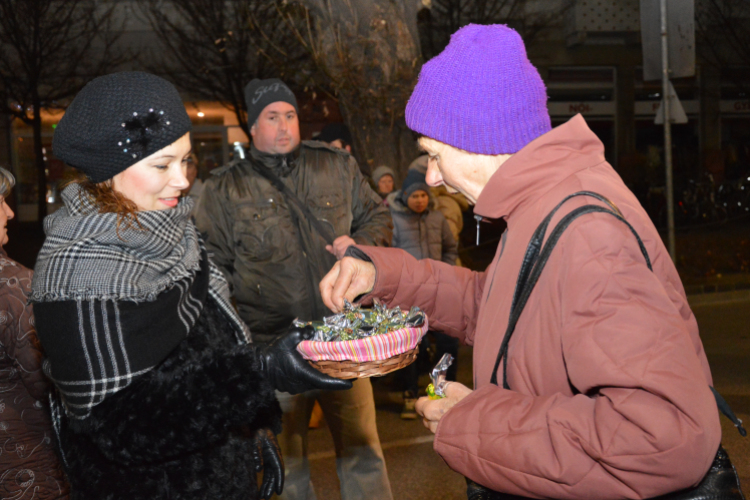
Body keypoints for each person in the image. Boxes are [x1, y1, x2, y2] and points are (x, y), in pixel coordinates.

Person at [319, 25, 723, 499]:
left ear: (477, 138)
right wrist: (382, 274)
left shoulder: (585, 235)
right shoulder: (542, 205)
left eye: (433, 154)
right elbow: (498, 307)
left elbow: (662, 438)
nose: (432, 176)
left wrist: (470, 422)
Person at [29, 72, 350, 500]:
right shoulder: (74, 274)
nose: (182, 180)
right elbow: (121, 427)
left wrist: (253, 436)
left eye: (185, 160)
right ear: (109, 169)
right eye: (162, 165)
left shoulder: (175, 233)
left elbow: (215, 343)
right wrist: (258, 374)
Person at [194, 78, 394, 500]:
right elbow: (212, 268)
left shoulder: (335, 166)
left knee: (364, 452)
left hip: (342, 338)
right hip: (273, 345)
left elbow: (376, 217)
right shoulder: (224, 188)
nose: (284, 126)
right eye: (272, 117)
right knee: (286, 466)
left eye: (290, 115)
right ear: (253, 127)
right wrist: (240, 344)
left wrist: (358, 251)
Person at [0, 166, 70, 499]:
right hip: (24, 461)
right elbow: (46, 381)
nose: (10, 212)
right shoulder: (14, 285)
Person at [386, 168, 458, 419]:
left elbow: (450, 247)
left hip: (438, 291)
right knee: (413, 343)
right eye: (414, 195)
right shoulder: (394, 220)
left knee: (449, 341)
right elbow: (388, 255)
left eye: (423, 195)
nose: (419, 200)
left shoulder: (437, 219)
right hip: (409, 294)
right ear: (405, 196)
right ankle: (410, 393)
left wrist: (445, 270)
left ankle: (442, 391)